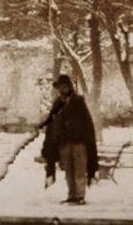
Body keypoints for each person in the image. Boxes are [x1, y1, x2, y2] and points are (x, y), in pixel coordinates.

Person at [38, 74, 98, 204]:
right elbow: (52, 122)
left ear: (70, 87)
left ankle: (80, 195)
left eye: (65, 87)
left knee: (79, 169)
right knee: (69, 170)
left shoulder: (78, 102)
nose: (62, 90)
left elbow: (86, 124)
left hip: (79, 142)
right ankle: (72, 195)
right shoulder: (58, 104)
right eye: (60, 87)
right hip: (64, 142)